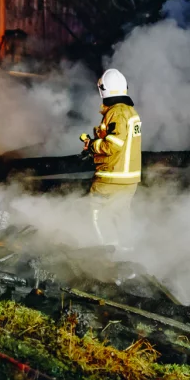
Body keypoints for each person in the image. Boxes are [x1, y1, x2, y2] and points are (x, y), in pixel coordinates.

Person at [82, 68, 142, 248]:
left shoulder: (116, 113)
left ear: (103, 90)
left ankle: (107, 257)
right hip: (129, 178)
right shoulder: (131, 112)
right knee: (121, 217)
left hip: (111, 177)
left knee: (98, 214)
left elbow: (113, 145)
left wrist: (93, 145)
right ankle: (126, 256)